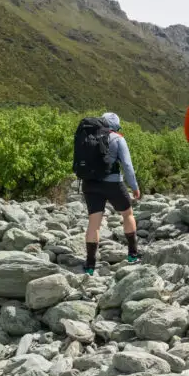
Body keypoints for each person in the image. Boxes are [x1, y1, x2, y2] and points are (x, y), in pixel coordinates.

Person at [82, 112, 141, 276]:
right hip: (113, 183)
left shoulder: (89, 136)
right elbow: (127, 166)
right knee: (128, 214)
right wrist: (134, 187)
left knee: (94, 223)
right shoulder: (118, 138)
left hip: (90, 184)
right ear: (116, 126)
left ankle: (90, 265)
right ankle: (132, 255)